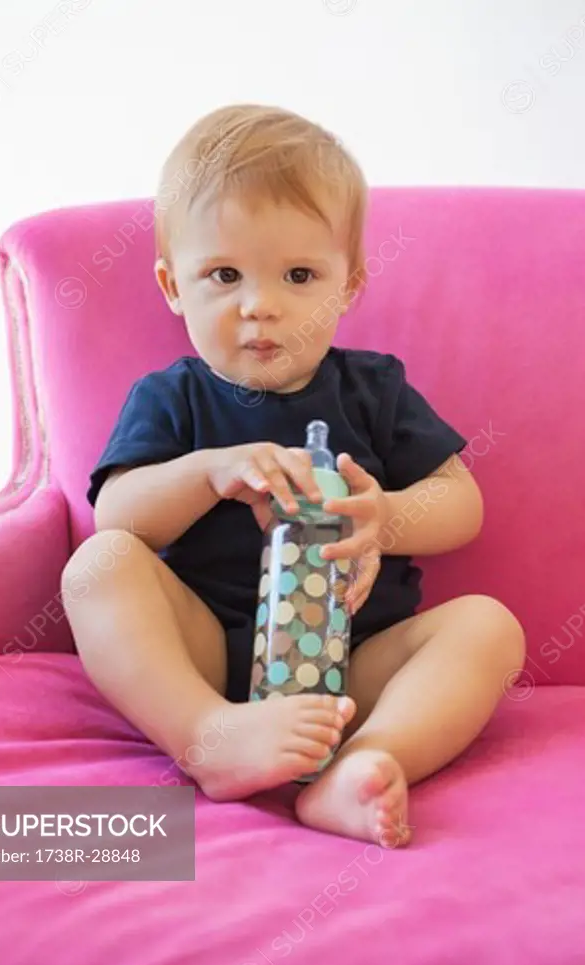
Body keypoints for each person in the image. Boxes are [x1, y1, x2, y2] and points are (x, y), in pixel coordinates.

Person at [62, 104, 526, 847]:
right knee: (97, 567)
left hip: (354, 663)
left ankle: (368, 764)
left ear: (348, 286)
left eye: (299, 275)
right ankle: (209, 737)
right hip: (209, 651)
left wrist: (387, 516)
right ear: (172, 284)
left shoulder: (373, 390)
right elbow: (119, 515)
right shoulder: (173, 397)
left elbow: (460, 503)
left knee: (487, 627)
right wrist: (210, 472)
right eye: (222, 275)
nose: (260, 306)